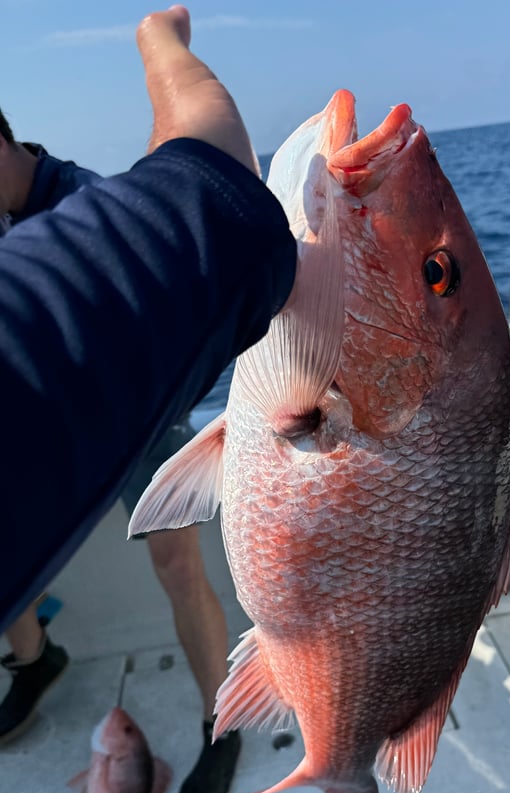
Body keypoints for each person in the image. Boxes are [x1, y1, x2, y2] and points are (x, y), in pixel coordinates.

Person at [0, 7, 297, 636]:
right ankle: (31, 660)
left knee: (181, 574)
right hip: (76, 435)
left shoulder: (79, 197)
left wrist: (208, 184)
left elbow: (215, 212)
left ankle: (216, 722)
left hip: (143, 424)